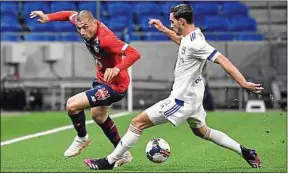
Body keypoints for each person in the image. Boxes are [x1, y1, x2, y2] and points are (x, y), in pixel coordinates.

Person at [83, 4, 263, 170]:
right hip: (193, 98)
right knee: (203, 132)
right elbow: (181, 41)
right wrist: (163, 29)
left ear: (181, 21)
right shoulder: (193, 35)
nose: (172, 24)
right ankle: (245, 151)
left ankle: (109, 161)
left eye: (172, 22)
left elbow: (222, 60)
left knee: (136, 123)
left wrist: (243, 83)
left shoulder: (197, 43)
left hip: (180, 100)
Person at [30, 10, 141, 167]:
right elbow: (70, 14)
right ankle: (123, 153)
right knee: (98, 116)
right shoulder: (80, 22)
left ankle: (82, 138)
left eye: (85, 27)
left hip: (116, 85)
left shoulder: (106, 39)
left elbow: (134, 53)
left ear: (94, 22)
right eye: (79, 28)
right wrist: (48, 17)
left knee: (72, 105)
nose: (82, 31)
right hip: (101, 80)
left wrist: (117, 68)